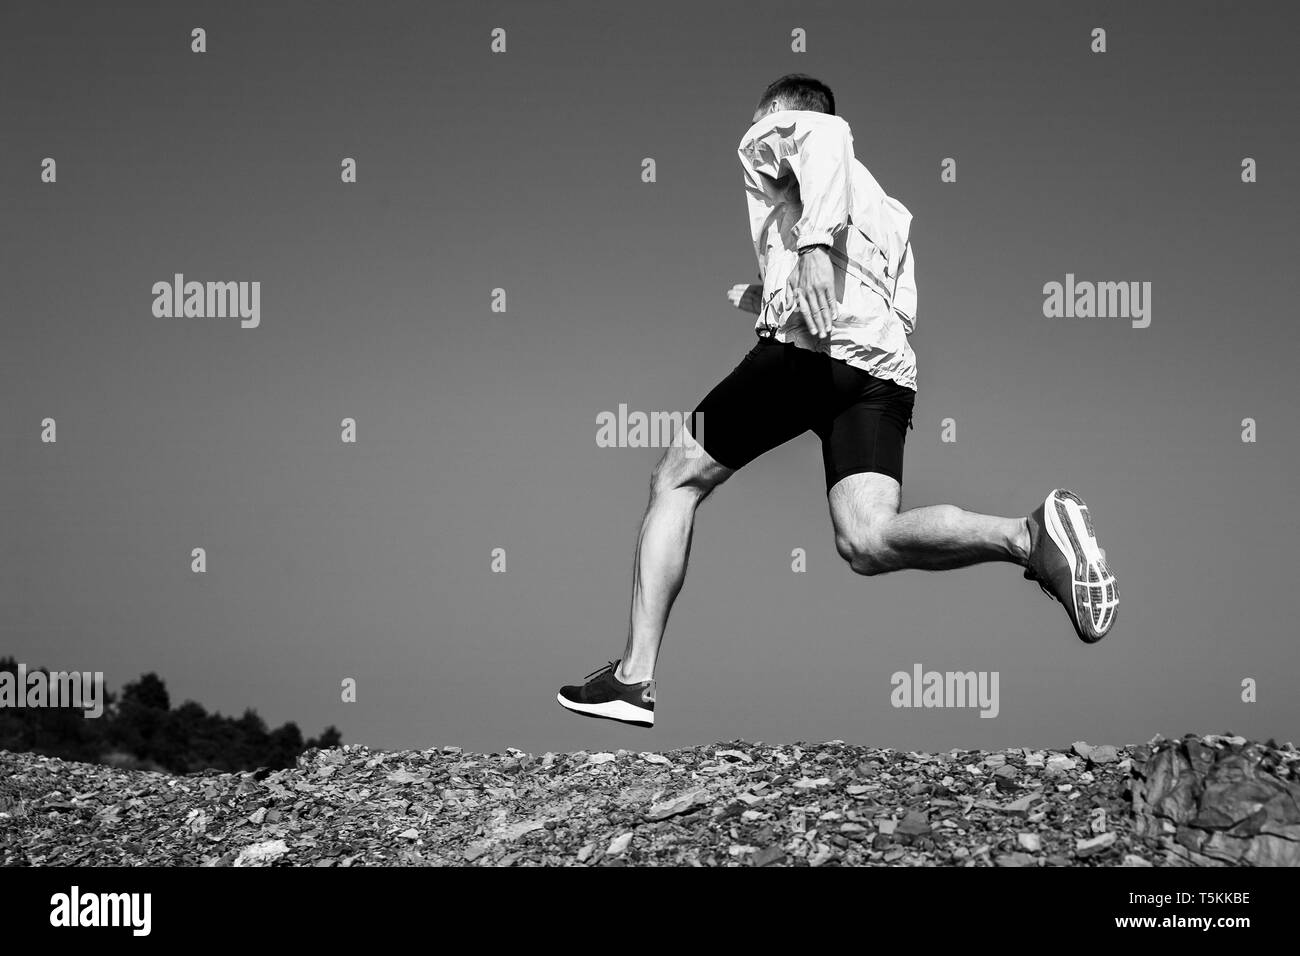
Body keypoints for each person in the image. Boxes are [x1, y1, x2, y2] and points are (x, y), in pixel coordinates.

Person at [557, 74, 1118, 728]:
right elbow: (885, 296)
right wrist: (772, 286)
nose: (762, 137)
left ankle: (634, 677)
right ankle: (1029, 537)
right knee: (867, 541)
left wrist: (814, 251)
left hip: (812, 351)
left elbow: (823, 138)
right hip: (881, 370)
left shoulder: (792, 131)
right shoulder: (884, 203)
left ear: (777, 112)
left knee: (675, 481)